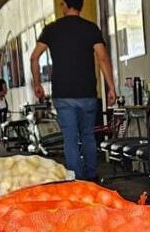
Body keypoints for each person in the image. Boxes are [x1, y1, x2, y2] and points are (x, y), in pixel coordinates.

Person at [31, 0, 117, 181]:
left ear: (64, 6)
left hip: (63, 94)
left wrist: (37, 84)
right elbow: (102, 58)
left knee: (70, 138)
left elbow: (34, 57)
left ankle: (76, 180)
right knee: (88, 135)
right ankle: (92, 176)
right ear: (81, 6)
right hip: (87, 93)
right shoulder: (91, 28)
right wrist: (111, 87)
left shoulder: (52, 29)